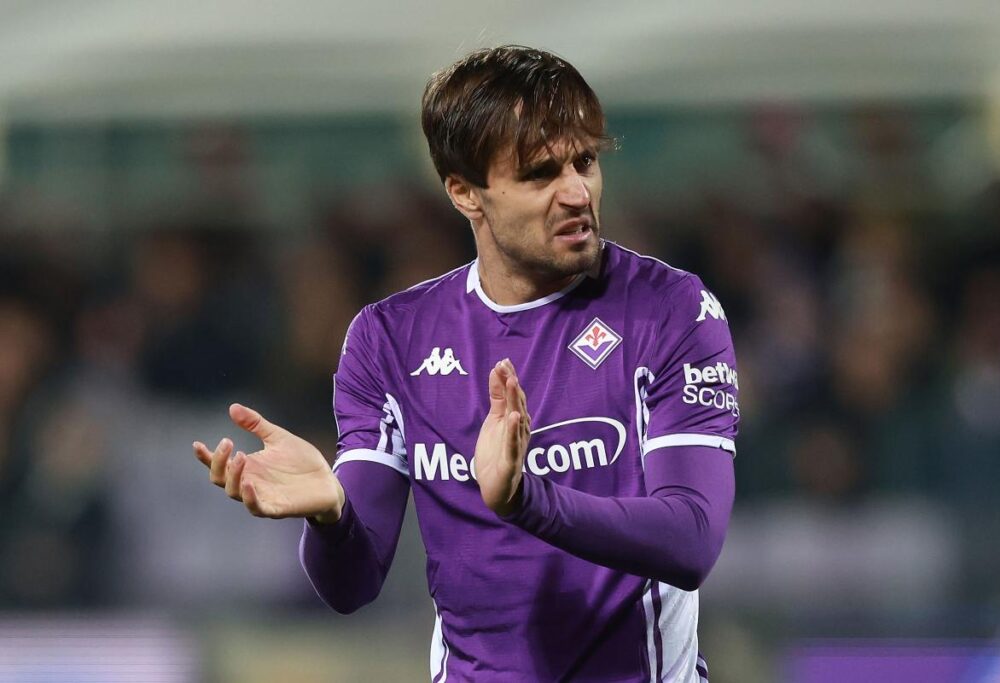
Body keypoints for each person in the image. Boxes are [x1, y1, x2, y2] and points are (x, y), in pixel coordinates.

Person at [195, 45, 738, 682]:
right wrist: (332, 519)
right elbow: (351, 586)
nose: (575, 193)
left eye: (585, 162)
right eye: (540, 173)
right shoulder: (390, 338)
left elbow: (693, 536)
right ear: (464, 193)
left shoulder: (670, 309)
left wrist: (524, 500)